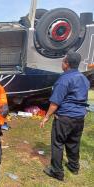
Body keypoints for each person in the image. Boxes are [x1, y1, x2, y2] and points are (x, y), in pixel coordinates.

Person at [40, 51, 90, 181]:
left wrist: (46, 117)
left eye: (63, 61)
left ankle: (57, 172)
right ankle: (74, 167)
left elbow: (55, 102)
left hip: (65, 117)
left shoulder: (64, 79)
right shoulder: (84, 78)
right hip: (79, 117)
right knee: (74, 142)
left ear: (67, 64)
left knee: (58, 143)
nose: (62, 63)